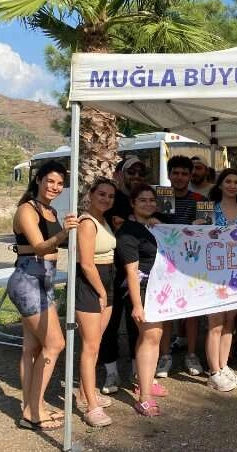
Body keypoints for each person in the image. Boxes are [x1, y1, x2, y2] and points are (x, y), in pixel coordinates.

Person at [8, 160, 77, 430]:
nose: (55, 187)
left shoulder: (50, 210)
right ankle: (33, 413)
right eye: (50, 181)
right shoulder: (27, 209)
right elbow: (39, 246)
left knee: (32, 348)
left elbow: (57, 244)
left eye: (60, 183)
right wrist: (64, 232)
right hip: (28, 282)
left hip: (42, 281)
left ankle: (31, 406)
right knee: (55, 344)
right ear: (38, 180)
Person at [117, 184, 168, 416]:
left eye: (151, 200)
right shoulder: (128, 232)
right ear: (133, 203)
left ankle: (144, 382)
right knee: (151, 337)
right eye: (143, 200)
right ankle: (144, 397)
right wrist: (137, 305)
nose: (148, 204)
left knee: (149, 337)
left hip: (157, 290)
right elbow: (131, 271)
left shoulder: (152, 226)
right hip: (142, 290)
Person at [156, 155, 205, 380]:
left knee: (192, 313)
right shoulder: (159, 199)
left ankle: (191, 354)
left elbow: (208, 232)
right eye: (175, 173)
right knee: (166, 311)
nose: (179, 177)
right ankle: (165, 355)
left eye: (184, 173)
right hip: (164, 264)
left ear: (190, 176)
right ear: (169, 174)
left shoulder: (201, 200)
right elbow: (150, 221)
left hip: (191, 265)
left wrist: (200, 225)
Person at [99, 157, 145, 394]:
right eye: (131, 172)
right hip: (112, 271)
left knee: (137, 323)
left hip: (137, 272)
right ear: (120, 174)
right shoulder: (110, 199)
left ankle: (138, 371)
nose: (136, 176)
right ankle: (111, 372)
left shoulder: (145, 202)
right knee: (110, 323)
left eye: (140, 173)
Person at [204, 169, 237, 392]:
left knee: (229, 321)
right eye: (228, 181)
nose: (232, 185)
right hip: (213, 272)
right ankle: (213, 372)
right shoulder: (208, 209)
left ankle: (223, 365)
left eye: (236, 182)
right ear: (220, 185)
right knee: (215, 322)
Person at [75, 178, 117, 427]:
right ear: (91, 194)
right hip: (91, 285)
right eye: (101, 194)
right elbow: (87, 264)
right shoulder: (87, 223)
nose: (106, 199)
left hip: (106, 281)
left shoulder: (104, 220)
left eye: (110, 196)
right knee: (90, 346)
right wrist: (101, 292)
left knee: (96, 343)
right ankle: (91, 407)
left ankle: (86, 392)